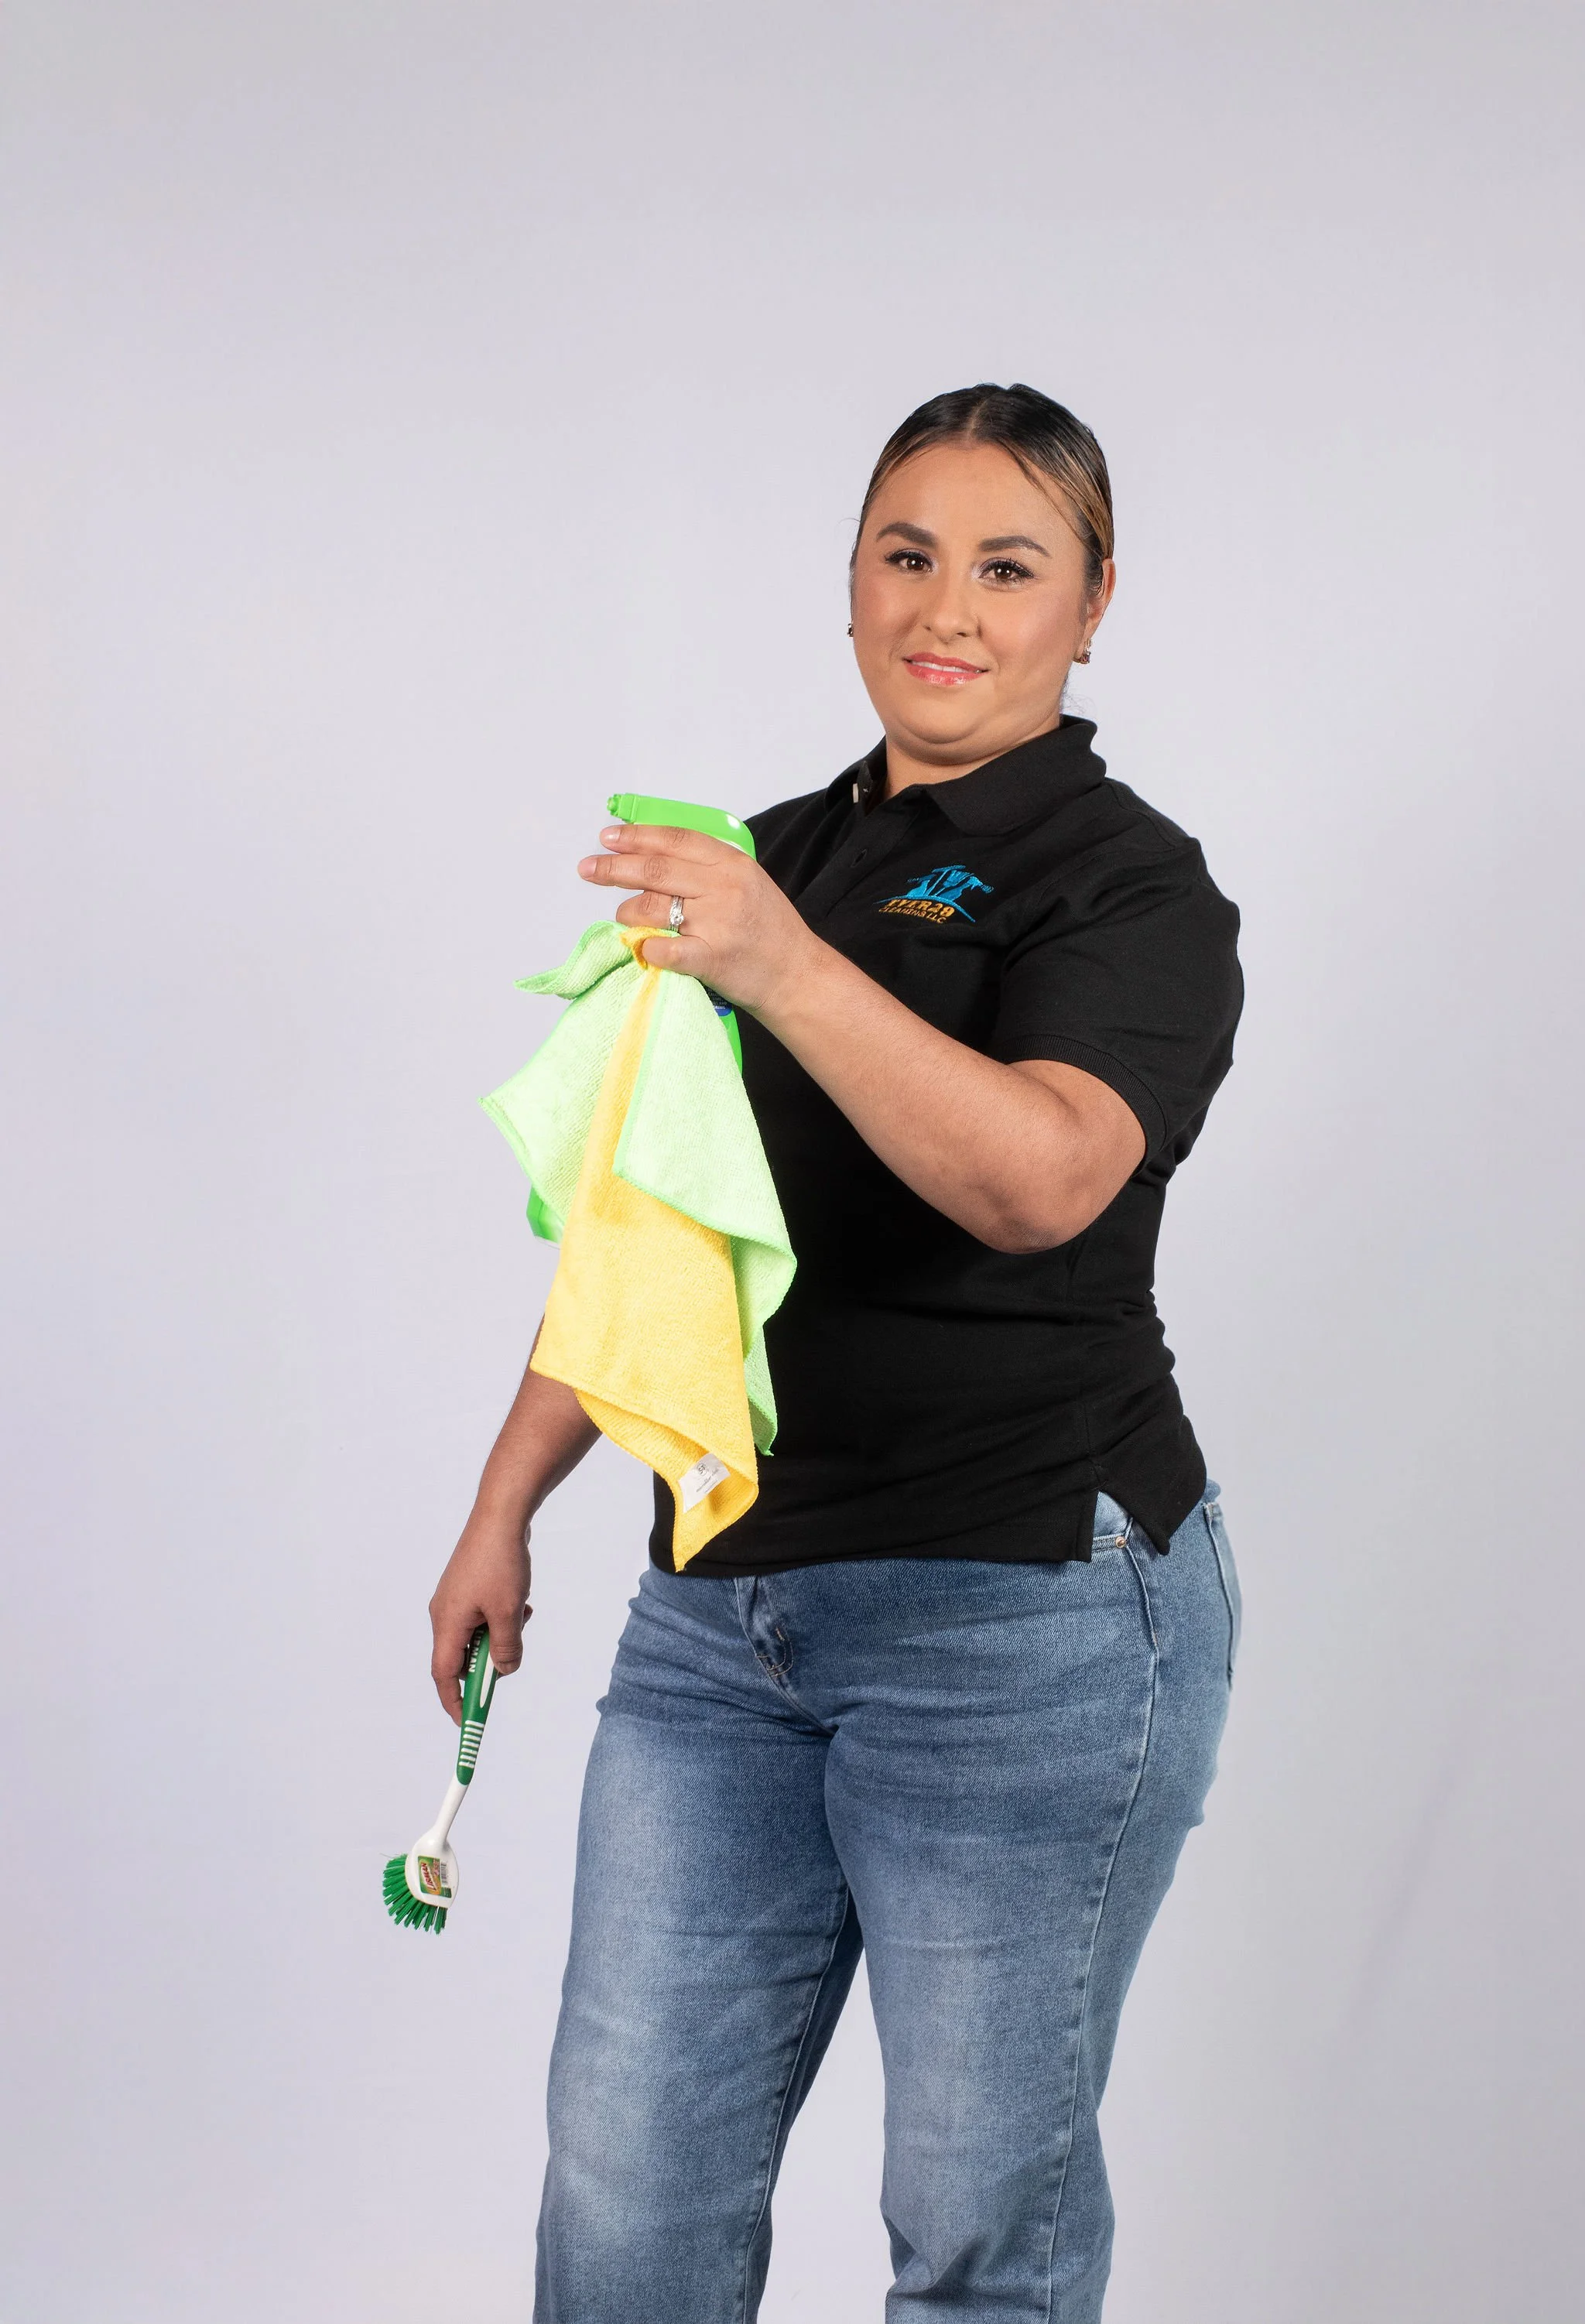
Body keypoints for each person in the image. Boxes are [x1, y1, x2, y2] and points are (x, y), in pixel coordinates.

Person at [428, 382, 1244, 2323]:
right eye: (906, 554)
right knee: (625, 2200)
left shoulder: (1127, 885)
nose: (946, 607)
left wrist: (776, 960)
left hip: (1028, 1612)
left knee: (977, 2234)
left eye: (1007, 564)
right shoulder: (772, 855)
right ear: (852, 582)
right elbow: (651, 1223)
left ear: (1093, 601)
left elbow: (1042, 1179)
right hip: (724, 1619)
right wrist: (502, 1503)